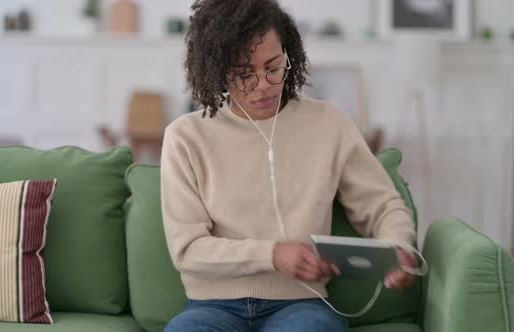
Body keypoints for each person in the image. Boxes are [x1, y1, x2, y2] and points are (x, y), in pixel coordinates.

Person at [161, 1, 418, 331]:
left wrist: (399, 247)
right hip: (212, 306)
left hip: (301, 305)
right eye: (244, 75)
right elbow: (188, 249)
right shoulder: (185, 137)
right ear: (218, 71)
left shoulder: (329, 124)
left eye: (273, 67)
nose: (264, 85)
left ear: (288, 55)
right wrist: (273, 254)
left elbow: (382, 204)